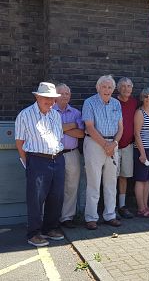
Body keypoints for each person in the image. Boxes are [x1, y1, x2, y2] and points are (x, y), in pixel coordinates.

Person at [15, 82, 65, 247]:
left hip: (57, 158)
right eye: (46, 98)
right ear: (37, 97)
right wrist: (28, 164)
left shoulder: (56, 115)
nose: (50, 102)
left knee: (56, 196)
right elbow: (20, 143)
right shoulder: (25, 115)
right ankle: (34, 233)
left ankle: (50, 228)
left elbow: (58, 138)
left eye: (52, 99)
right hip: (37, 160)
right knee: (36, 199)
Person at [82, 75, 123, 230]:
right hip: (94, 144)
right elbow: (90, 127)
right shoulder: (89, 102)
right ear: (98, 87)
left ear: (113, 89)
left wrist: (114, 144)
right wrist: (106, 144)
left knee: (111, 182)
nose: (107, 90)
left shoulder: (116, 103)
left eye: (110, 87)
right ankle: (91, 217)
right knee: (93, 182)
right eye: (104, 87)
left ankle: (110, 215)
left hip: (113, 144)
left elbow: (121, 128)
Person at [54, 83, 85, 228]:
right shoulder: (49, 111)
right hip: (54, 155)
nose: (65, 96)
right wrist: (71, 125)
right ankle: (51, 217)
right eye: (62, 93)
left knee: (71, 187)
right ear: (56, 95)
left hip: (72, 154)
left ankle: (67, 217)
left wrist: (61, 128)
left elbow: (81, 133)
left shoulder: (76, 113)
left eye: (67, 93)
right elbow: (51, 130)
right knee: (52, 187)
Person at [133, 88, 149, 218]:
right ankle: (141, 208)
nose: (148, 98)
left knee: (148, 179)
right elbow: (137, 133)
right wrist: (142, 154)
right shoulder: (140, 113)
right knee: (140, 179)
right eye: (146, 96)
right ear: (142, 98)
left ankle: (146, 206)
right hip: (142, 150)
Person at [116, 77, 138, 219]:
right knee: (111, 177)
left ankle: (122, 206)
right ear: (118, 88)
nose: (126, 89)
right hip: (113, 145)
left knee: (124, 176)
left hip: (128, 146)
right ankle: (110, 207)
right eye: (123, 86)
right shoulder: (113, 102)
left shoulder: (135, 103)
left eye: (129, 86)